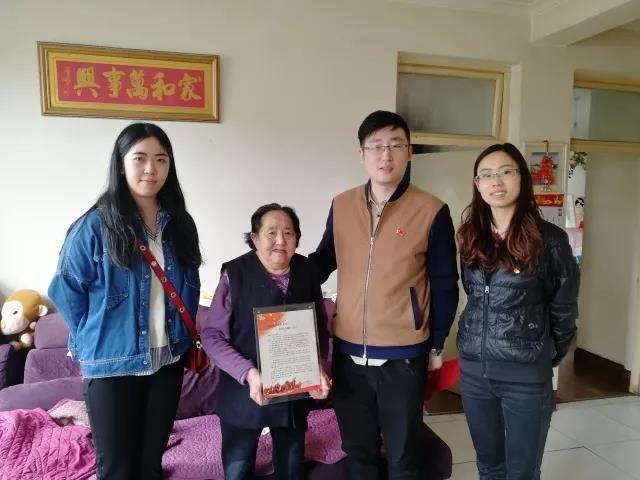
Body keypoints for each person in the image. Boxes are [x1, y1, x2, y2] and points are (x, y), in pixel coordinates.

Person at [310, 110, 459, 479]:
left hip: (403, 356)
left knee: (402, 455)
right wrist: (274, 271)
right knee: (357, 451)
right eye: (376, 146)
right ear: (362, 154)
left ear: (409, 152)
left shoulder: (432, 210)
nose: (385, 155)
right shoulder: (342, 204)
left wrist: (437, 345)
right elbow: (324, 259)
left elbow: (444, 283)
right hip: (348, 354)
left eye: (395, 145)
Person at [48, 123, 202, 480]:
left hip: (167, 363)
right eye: (140, 158)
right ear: (121, 165)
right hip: (111, 366)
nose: (151, 169)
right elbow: (66, 289)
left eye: (161, 160)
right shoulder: (94, 226)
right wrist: (97, 335)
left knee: (150, 465)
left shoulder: (180, 224)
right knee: (117, 469)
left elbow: (190, 286)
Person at [456, 143, 579, 480]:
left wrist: (546, 353)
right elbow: (474, 294)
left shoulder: (550, 240)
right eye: (486, 175)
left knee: (522, 472)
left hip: (525, 374)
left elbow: (564, 308)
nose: (495, 181)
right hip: (475, 372)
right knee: (489, 467)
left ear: (522, 178)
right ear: (477, 185)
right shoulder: (469, 236)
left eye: (505, 172)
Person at [201, 203, 330, 480]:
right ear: (255, 238)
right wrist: (248, 372)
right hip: (243, 390)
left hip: (293, 391)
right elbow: (212, 336)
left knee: (291, 467)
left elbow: (319, 328)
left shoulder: (307, 271)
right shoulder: (234, 274)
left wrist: (317, 368)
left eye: (288, 233)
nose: (280, 240)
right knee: (237, 469)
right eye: (271, 232)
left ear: (297, 239)